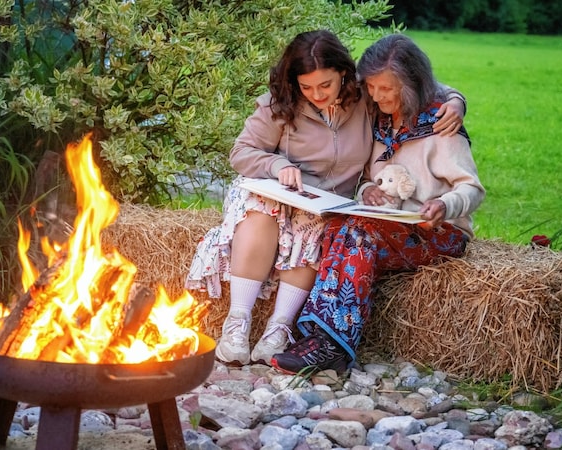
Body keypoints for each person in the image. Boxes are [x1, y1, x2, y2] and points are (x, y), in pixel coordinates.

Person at [186, 30, 466, 366]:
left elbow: (418, 83)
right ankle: (237, 325)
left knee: (314, 226)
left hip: (325, 202)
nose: (316, 95)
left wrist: (456, 100)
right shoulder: (280, 104)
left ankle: (278, 329)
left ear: (345, 75)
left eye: (325, 86)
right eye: (307, 87)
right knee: (262, 211)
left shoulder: (365, 96)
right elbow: (241, 152)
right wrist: (277, 164)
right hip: (273, 190)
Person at [271, 33, 486, 374]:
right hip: (390, 224)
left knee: (359, 234)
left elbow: (473, 189)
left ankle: (332, 345)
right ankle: (316, 334)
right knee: (341, 224)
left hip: (439, 230)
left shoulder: (442, 127)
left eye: (386, 89)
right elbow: (373, 178)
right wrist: (368, 190)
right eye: (371, 87)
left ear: (411, 84)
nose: (375, 95)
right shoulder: (381, 119)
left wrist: (445, 205)